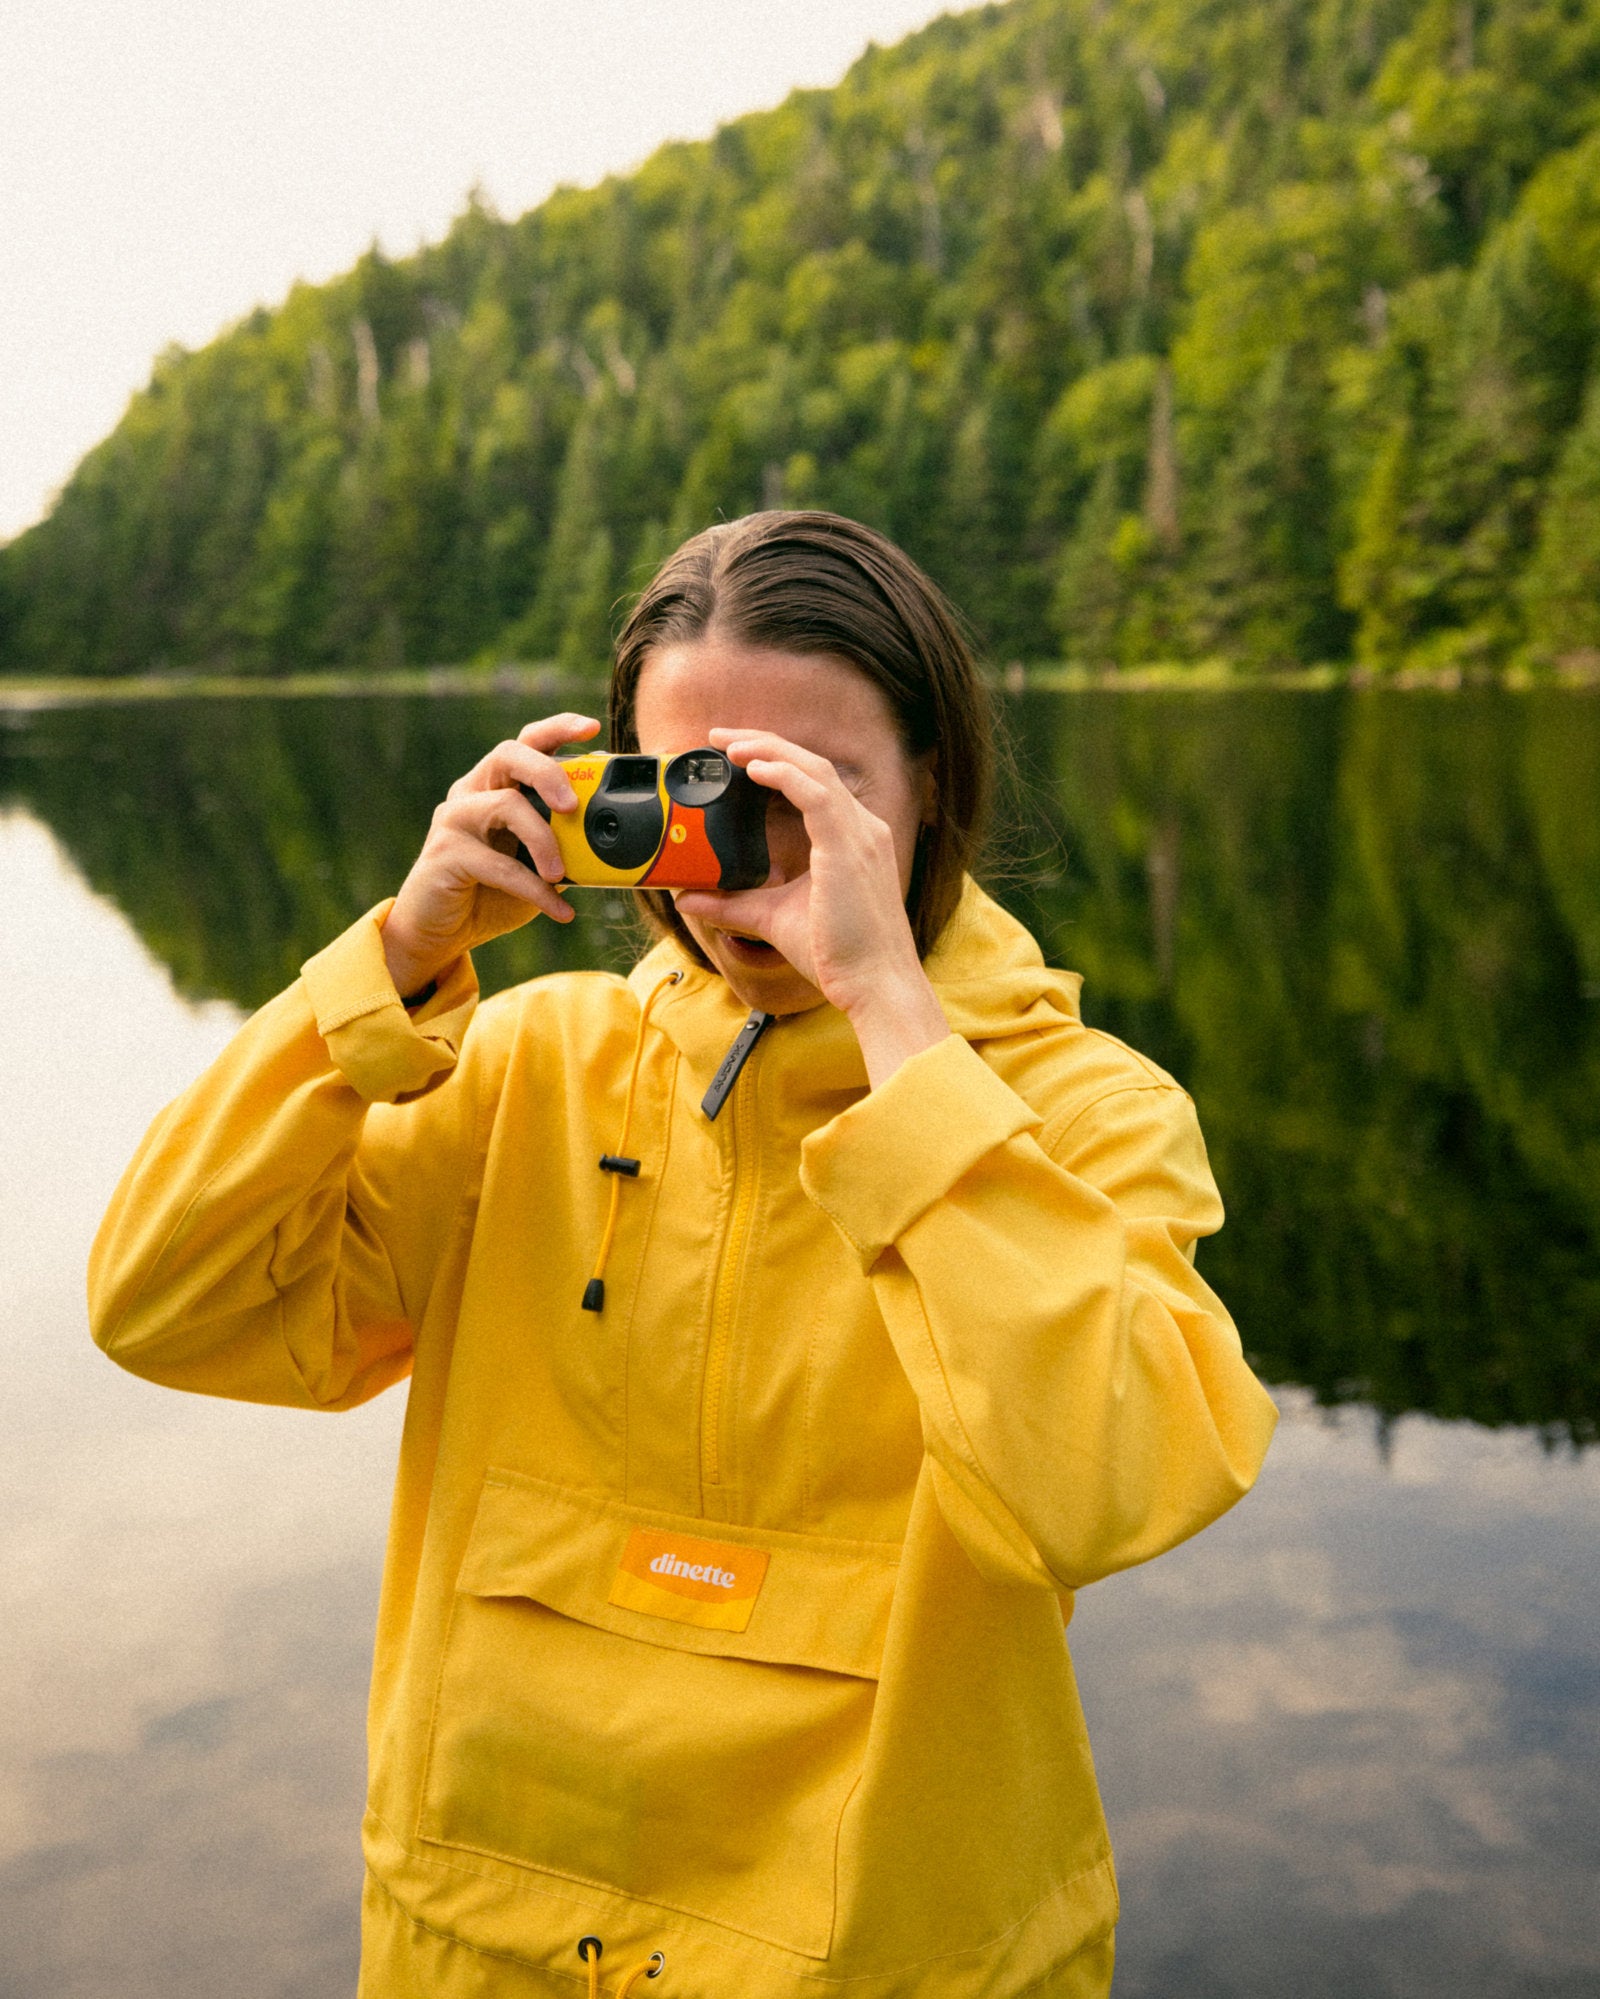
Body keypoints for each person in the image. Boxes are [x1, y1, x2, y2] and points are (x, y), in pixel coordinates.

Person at [90, 511, 1277, 1999]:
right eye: (688, 785)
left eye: (812, 790)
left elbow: (1112, 1487)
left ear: (934, 786)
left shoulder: (1081, 1114)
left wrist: (900, 1032)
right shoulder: (522, 1066)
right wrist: (391, 962)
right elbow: (162, 1305)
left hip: (880, 1960)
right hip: (486, 1940)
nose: (743, 853)